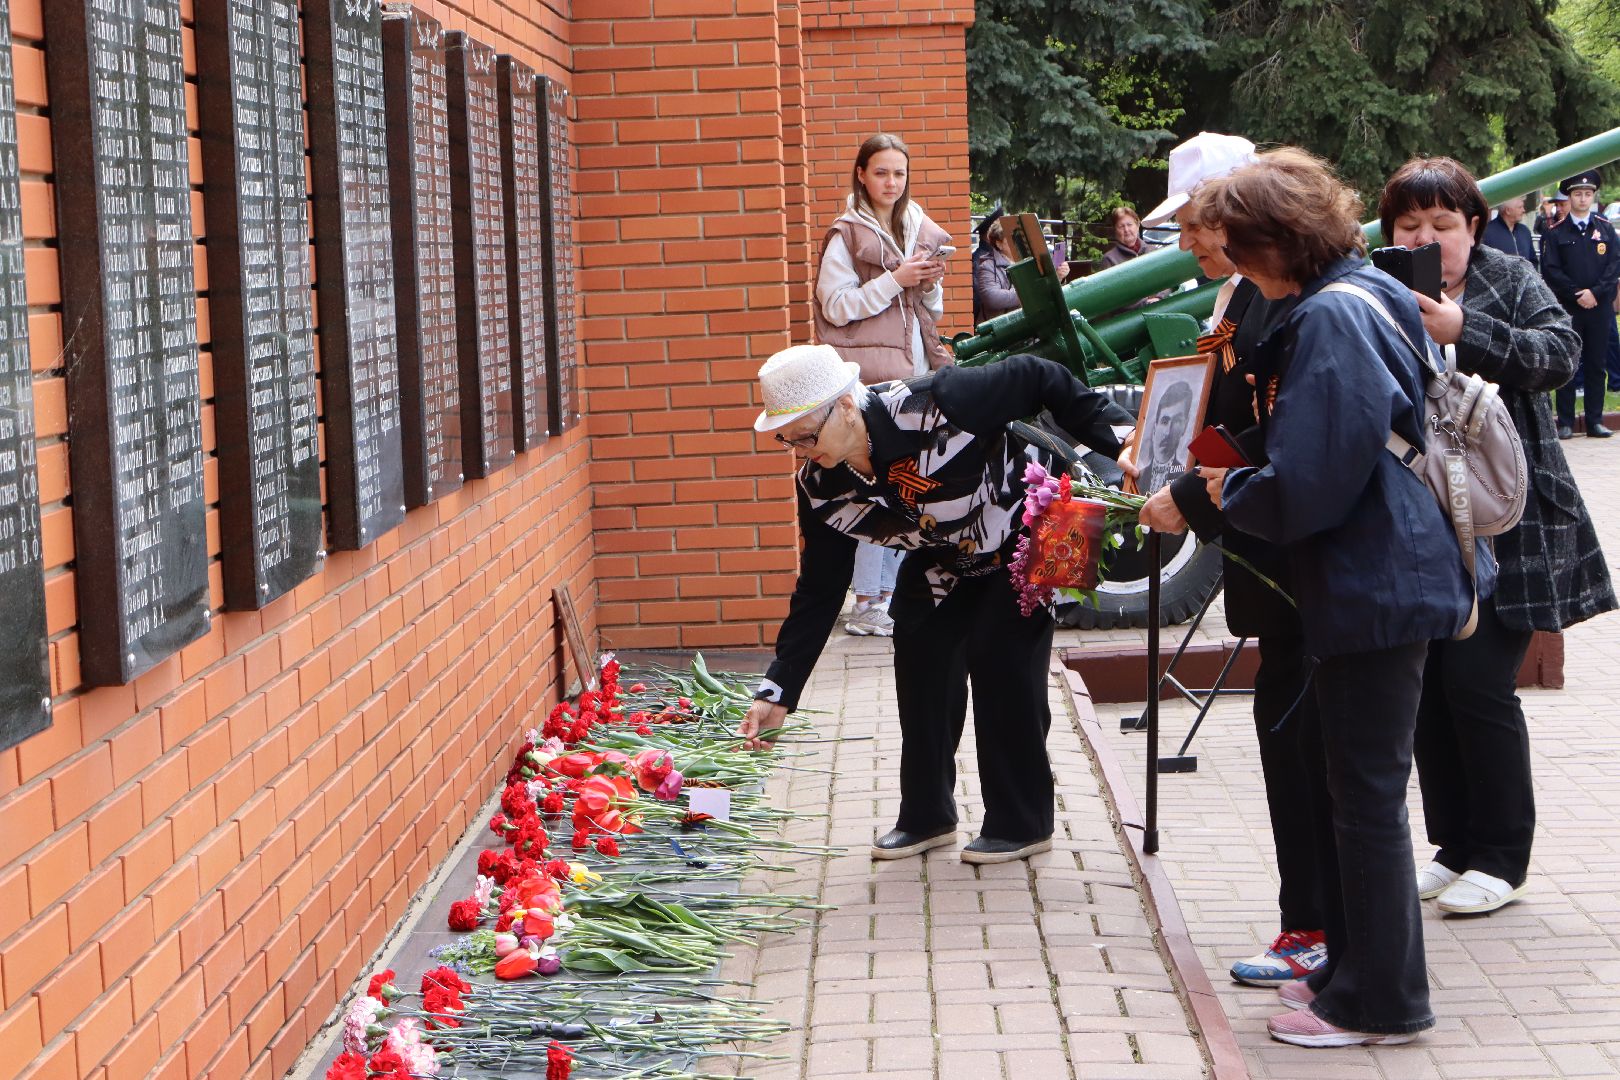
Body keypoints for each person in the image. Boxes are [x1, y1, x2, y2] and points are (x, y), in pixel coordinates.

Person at [1187, 148, 1476, 1048]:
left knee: (1367, 799)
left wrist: (1199, 498)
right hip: (1378, 574)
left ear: (1276, 242)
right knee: (1360, 793)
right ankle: (1351, 979)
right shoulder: (1352, 296)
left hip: (1377, 579)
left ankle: (1380, 1002)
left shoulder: (1333, 318)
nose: (1230, 261)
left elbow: (1311, 480)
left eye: (1236, 243)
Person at [739, 344, 1122, 864]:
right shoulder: (822, 485)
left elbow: (1039, 375)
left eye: (807, 435)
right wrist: (778, 688)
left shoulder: (939, 401)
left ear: (846, 406)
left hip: (1038, 525)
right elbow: (820, 589)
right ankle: (927, 816)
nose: (803, 450)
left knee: (1001, 657)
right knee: (919, 653)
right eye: (789, 440)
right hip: (946, 553)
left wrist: (1122, 440)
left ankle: (1022, 822)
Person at [1377, 158, 1615, 916]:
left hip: (1508, 519)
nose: (1427, 238)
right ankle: (1454, 847)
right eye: (1410, 226)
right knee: (1430, 694)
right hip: (1418, 523)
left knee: (1479, 686)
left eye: (1443, 224)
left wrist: (1462, 331)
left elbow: (1560, 354)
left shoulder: (1508, 276)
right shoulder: (1377, 289)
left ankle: (1504, 857)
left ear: (1474, 226)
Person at [1132, 131, 1327, 990]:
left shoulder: (1301, 303)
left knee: (1310, 753)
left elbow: (1288, 436)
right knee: (1288, 744)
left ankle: (1322, 927)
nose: (1187, 246)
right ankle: (1311, 920)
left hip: (1302, 566)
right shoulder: (1245, 297)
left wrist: (1198, 487)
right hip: (1267, 560)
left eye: (1197, 227)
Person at [813, 133, 951, 635]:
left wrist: (926, 281)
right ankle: (868, 602)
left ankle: (889, 597)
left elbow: (928, 310)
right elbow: (835, 306)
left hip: (912, 370)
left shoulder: (915, 227)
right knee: (879, 483)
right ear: (861, 175)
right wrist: (897, 279)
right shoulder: (846, 234)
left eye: (899, 173)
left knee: (905, 481)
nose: (891, 182)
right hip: (870, 378)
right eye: (881, 172)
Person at [1542, 171, 1620, 439]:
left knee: (1597, 364)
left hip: (1599, 309)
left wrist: (1595, 293)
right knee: (1568, 363)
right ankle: (1565, 421)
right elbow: (1551, 270)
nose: (1583, 198)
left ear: (1593, 196)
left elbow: (1613, 267)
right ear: (1570, 197)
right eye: (1577, 194)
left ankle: (1595, 420)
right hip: (1570, 308)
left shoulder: (1606, 229)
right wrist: (1577, 293)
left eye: (1587, 194)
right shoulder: (1555, 233)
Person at [1133, 378, 1195, 494]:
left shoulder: (1187, 477)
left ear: (1184, 426)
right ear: (1156, 426)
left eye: (1176, 422)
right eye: (1164, 421)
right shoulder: (1138, 476)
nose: (1168, 432)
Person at [972, 215, 1021, 324]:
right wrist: (1027, 293)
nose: (1016, 243)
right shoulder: (987, 265)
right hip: (998, 330)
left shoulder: (1025, 261)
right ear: (999, 244)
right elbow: (992, 298)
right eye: (1010, 239)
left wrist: (1059, 276)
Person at [1482, 198, 1536, 264]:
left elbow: (1533, 260)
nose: (1523, 210)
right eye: (1520, 207)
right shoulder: (1487, 233)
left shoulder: (1525, 231)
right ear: (1508, 211)